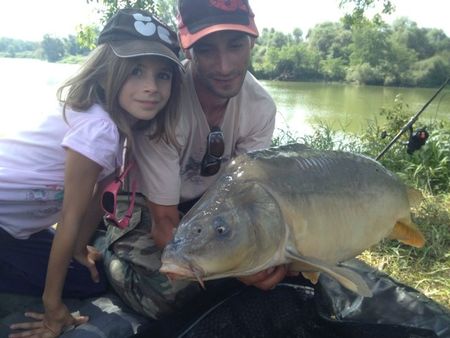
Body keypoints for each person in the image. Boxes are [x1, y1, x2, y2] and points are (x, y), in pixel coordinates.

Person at [1, 8, 183, 337]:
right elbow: (70, 216)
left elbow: (99, 196)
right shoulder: (99, 128)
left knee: (87, 276)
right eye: (136, 71)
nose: (151, 87)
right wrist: (53, 308)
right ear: (105, 72)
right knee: (79, 284)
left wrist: (78, 248)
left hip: (16, 229)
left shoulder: (115, 123)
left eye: (163, 75)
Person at [102, 0, 288, 320]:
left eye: (235, 46)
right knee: (172, 297)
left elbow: (245, 199)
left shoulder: (261, 108)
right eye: (206, 50)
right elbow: (165, 223)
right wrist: (236, 269)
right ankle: (107, 247)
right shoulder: (166, 106)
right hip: (146, 205)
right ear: (187, 49)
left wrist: (258, 257)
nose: (225, 66)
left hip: (206, 204)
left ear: (253, 40)